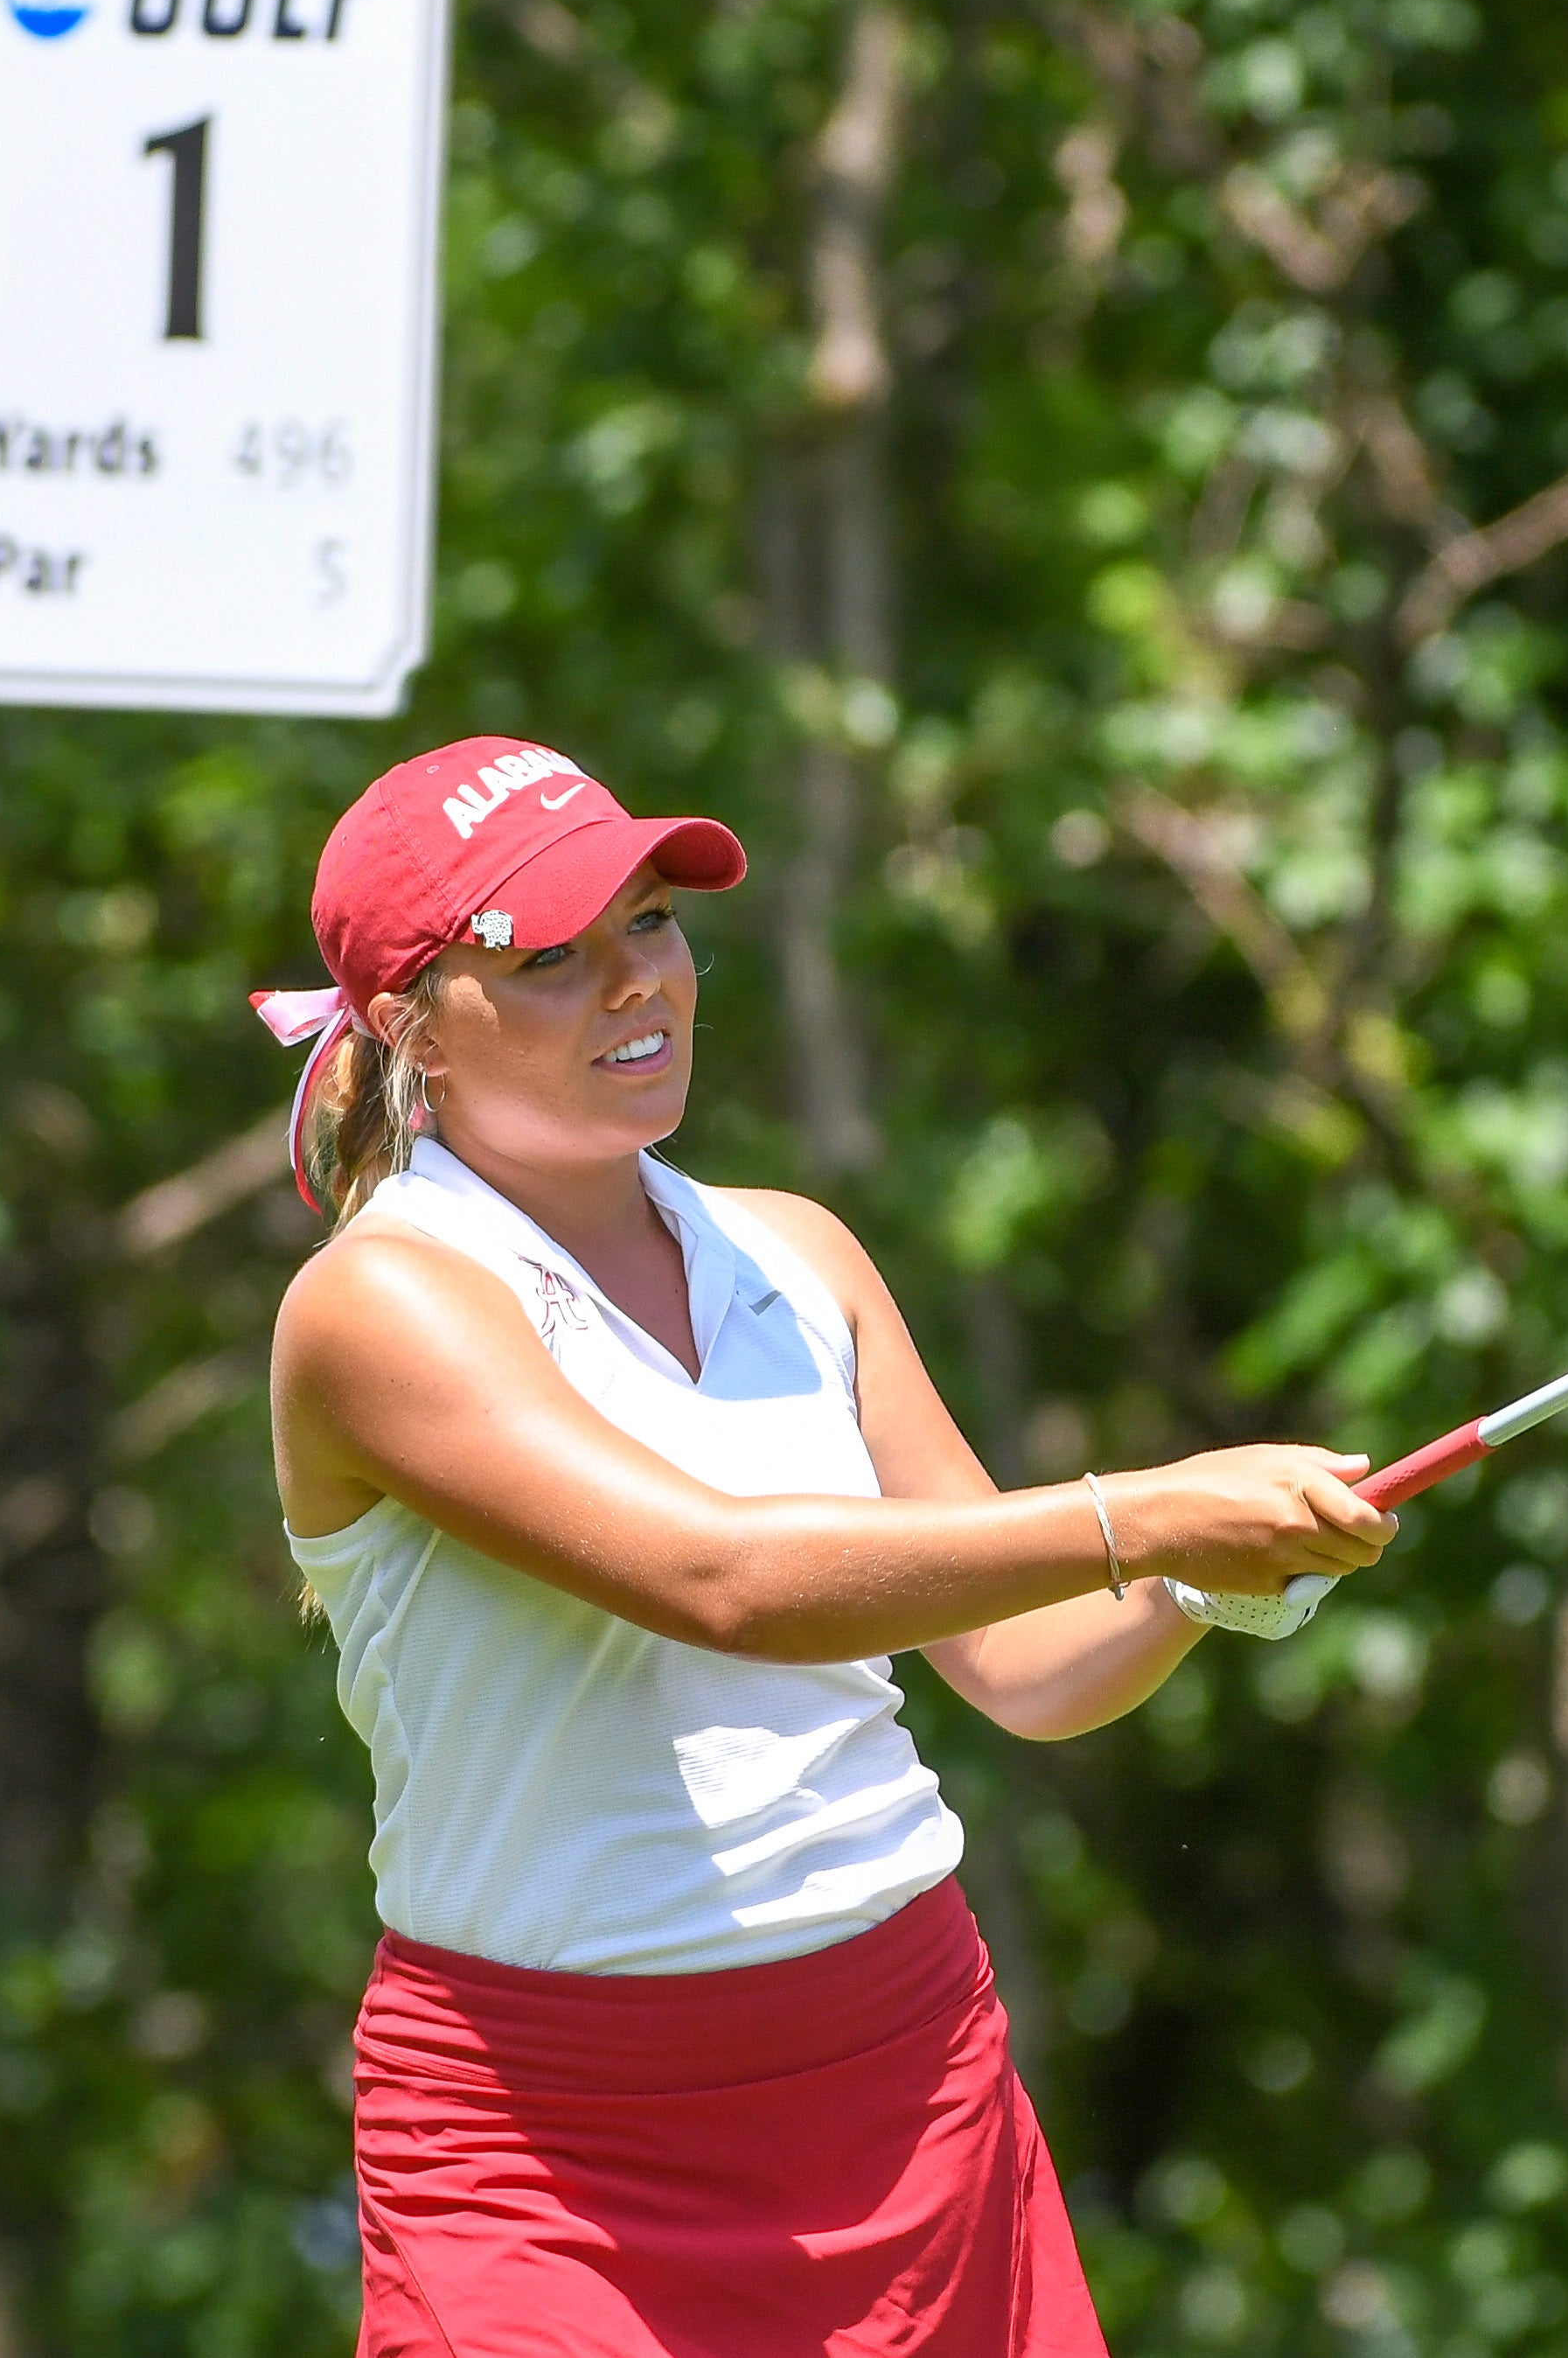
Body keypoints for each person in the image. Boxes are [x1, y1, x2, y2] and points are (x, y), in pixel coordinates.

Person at [250, 735, 1396, 2358]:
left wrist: (1205, 1578)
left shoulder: (797, 1253)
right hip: (550, 2151)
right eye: (554, 958)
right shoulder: (382, 1302)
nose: (633, 983)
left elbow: (1022, 1670)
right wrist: (1138, 1512)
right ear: (403, 1021)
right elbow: (724, 1581)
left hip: (904, 2082)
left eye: (649, 923)